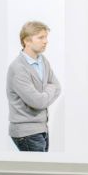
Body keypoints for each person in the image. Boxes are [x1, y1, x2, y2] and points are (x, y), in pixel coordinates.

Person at [6, 21, 61, 152]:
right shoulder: (18, 68)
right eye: (41, 37)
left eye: (46, 37)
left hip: (42, 128)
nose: (46, 41)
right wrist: (48, 91)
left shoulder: (43, 61)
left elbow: (57, 86)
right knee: (39, 166)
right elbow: (37, 102)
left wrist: (44, 95)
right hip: (26, 132)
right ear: (27, 41)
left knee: (42, 165)